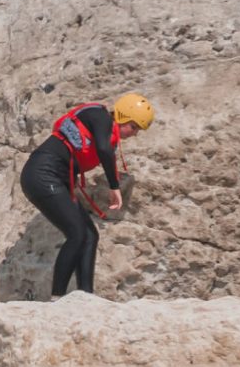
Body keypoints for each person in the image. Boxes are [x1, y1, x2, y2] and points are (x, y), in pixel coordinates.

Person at [19, 93, 156, 297]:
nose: (134, 133)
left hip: (55, 179)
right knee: (77, 233)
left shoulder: (107, 131)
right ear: (122, 116)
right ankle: (57, 297)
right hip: (42, 174)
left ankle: (86, 296)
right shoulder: (99, 116)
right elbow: (102, 149)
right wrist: (114, 186)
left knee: (90, 234)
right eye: (134, 127)